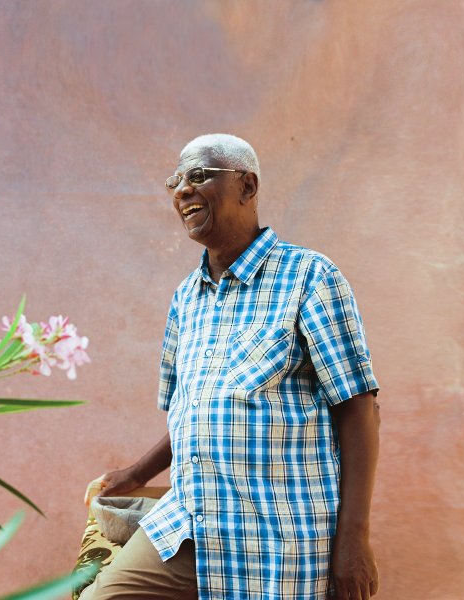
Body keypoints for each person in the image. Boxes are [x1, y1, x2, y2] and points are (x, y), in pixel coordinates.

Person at [80, 134, 380, 600]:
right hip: (191, 522)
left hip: (280, 534)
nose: (182, 190)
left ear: (246, 186)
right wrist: (138, 472)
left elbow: (359, 408)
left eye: (198, 176)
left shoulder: (310, 276)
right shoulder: (186, 298)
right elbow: (195, 412)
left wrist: (354, 538)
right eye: (176, 181)